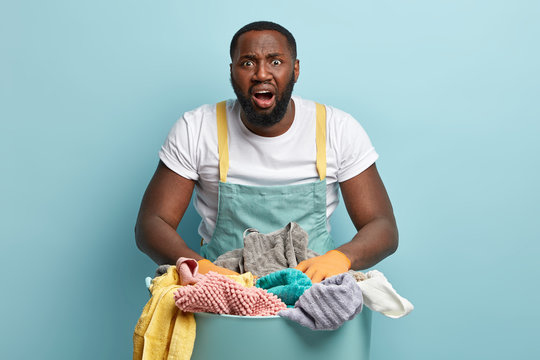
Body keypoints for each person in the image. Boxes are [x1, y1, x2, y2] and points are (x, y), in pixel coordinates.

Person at [135, 21, 398, 283]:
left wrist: (340, 258)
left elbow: (382, 227)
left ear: (295, 70)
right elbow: (152, 224)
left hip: (315, 288)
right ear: (232, 71)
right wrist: (200, 268)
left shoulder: (338, 129)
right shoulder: (197, 128)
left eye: (275, 61)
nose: (261, 74)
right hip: (223, 292)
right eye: (247, 63)